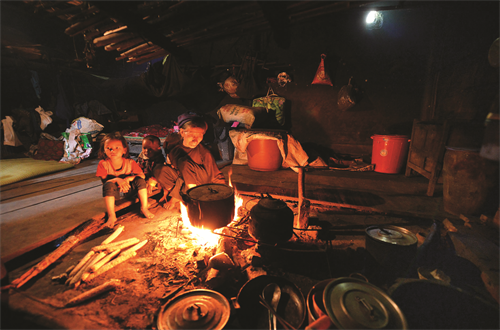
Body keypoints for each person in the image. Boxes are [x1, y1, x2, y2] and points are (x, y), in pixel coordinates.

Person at [154, 112, 226, 210]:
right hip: (183, 180)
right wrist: (159, 182)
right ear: (182, 132)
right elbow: (173, 170)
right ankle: (181, 196)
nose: (195, 140)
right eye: (192, 135)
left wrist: (222, 193)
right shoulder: (175, 149)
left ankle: (194, 197)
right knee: (159, 169)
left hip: (201, 183)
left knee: (184, 163)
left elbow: (216, 175)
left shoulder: (204, 153)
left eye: (199, 135)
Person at [96, 132, 154, 227]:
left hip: (129, 190)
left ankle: (144, 208)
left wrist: (128, 178)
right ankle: (112, 215)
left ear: (124, 150)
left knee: (140, 181)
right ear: (104, 150)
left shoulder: (130, 162)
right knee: (108, 185)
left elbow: (142, 176)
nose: (112, 150)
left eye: (117, 148)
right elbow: (105, 182)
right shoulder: (103, 164)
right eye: (108, 148)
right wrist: (118, 180)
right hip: (115, 193)